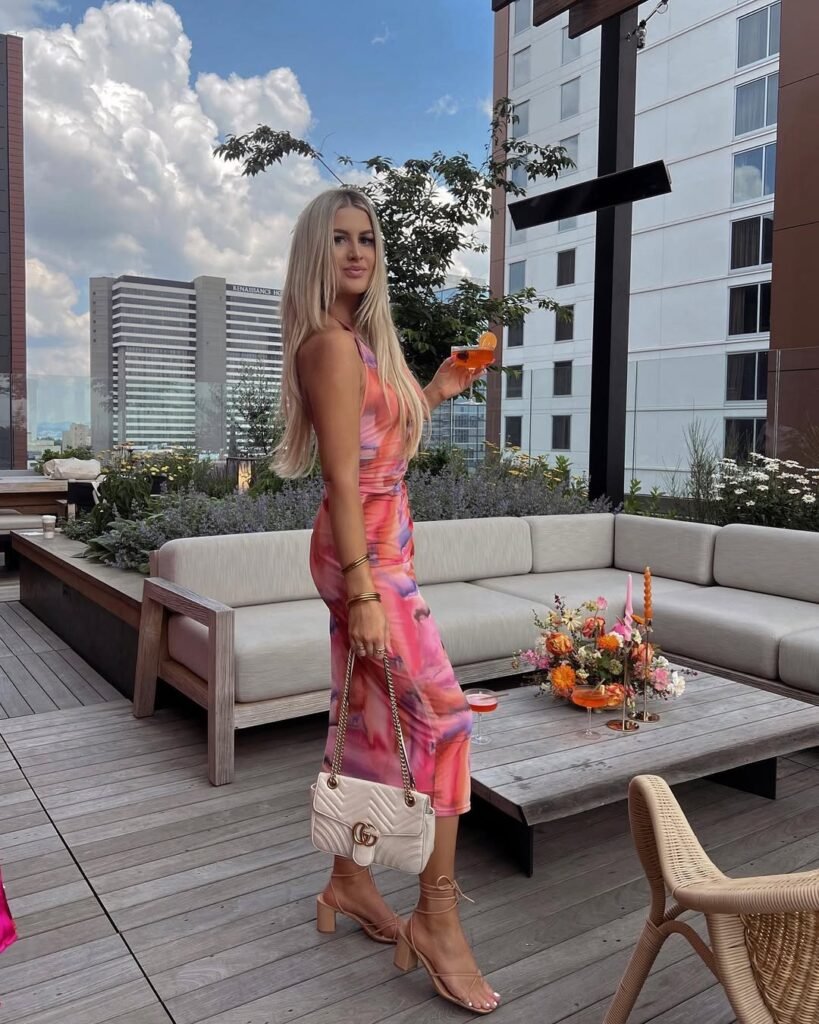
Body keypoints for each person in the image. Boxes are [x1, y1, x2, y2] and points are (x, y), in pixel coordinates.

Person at [273, 187, 500, 1014]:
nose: (357, 253)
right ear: (314, 255)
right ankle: (436, 919)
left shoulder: (358, 347)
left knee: (374, 721)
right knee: (442, 722)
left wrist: (434, 391)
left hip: (377, 550)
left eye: (367, 239)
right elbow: (340, 477)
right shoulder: (328, 348)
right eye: (338, 240)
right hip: (363, 559)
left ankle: (347, 879)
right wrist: (364, 590)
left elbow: (380, 448)